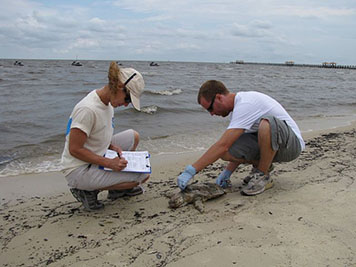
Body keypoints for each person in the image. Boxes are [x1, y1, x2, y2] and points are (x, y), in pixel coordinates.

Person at [177, 80, 305, 196]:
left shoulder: (246, 103)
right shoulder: (238, 112)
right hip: (274, 146)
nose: (211, 114)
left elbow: (222, 144)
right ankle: (264, 166)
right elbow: (228, 147)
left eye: (210, 108)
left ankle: (262, 175)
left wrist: (191, 171)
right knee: (227, 152)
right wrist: (227, 173)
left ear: (219, 98)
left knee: (266, 125)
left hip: (291, 145)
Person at [61, 62, 150, 210]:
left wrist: (111, 146)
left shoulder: (107, 103)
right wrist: (109, 163)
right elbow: (74, 149)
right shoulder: (87, 109)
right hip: (78, 169)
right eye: (127, 99)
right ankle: (86, 191)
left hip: (96, 154)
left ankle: (116, 190)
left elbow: (96, 134)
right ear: (120, 87)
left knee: (133, 136)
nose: (126, 105)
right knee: (141, 177)